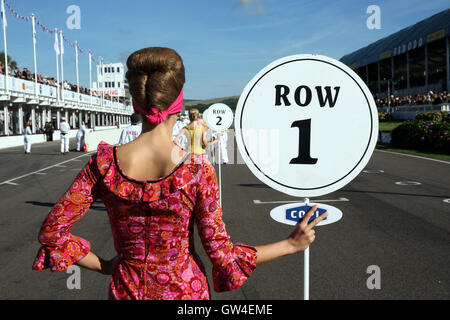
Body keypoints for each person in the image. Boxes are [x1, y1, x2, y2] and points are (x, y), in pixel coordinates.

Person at [32, 47, 327, 300]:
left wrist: (107, 266)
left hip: (126, 289)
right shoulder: (197, 171)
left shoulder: (103, 164)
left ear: (135, 102)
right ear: (178, 101)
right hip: (186, 292)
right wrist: (290, 244)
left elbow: (52, 233)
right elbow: (222, 256)